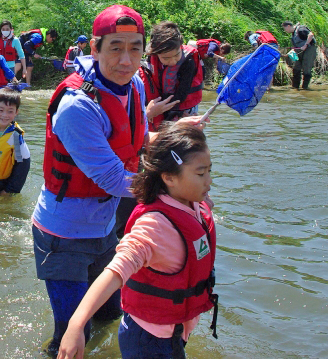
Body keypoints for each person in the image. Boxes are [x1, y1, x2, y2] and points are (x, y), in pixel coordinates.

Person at [32, 5, 148, 357]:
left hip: (104, 227)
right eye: (115, 47)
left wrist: (176, 140)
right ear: (94, 49)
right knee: (68, 336)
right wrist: (178, 190)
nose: (126, 60)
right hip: (64, 234)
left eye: (135, 48)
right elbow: (114, 178)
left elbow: (135, 142)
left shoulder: (135, 85)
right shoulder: (77, 106)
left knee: (110, 316)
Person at [56, 123, 217, 359]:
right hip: (149, 341)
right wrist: (76, 325)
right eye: (201, 174)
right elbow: (115, 271)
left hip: (174, 330)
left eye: (210, 171)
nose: (208, 182)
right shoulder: (154, 227)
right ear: (169, 178)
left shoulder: (191, 203)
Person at [139, 22, 204, 132]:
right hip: (161, 104)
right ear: (156, 53)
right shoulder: (152, 57)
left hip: (183, 106)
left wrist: (166, 111)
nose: (173, 61)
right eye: (166, 58)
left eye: (177, 55)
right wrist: (151, 110)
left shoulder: (188, 61)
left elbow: (182, 93)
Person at [283, 21, 316, 90]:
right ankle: (295, 87)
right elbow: (295, 46)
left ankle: (305, 88)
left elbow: (311, 35)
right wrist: (289, 53)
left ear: (288, 26)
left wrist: (305, 45)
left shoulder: (301, 29)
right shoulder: (293, 34)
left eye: (284, 28)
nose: (284, 30)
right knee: (296, 67)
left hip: (309, 49)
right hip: (298, 50)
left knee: (306, 67)